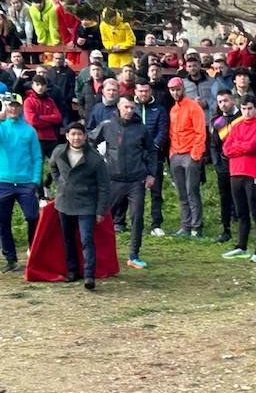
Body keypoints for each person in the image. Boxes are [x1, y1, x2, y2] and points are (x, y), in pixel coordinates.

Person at [90, 95, 156, 270]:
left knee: (137, 217)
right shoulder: (107, 126)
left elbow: (151, 150)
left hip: (136, 180)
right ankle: (91, 251)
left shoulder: (140, 129)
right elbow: (89, 142)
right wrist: (96, 165)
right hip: (113, 179)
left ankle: (134, 255)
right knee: (100, 214)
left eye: (132, 108)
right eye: (126, 107)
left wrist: (151, 174)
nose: (129, 111)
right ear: (118, 107)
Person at [48, 121, 110, 290]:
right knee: (68, 239)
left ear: (85, 136)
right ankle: (72, 270)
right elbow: (53, 167)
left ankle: (89, 275)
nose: (76, 137)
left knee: (86, 239)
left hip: (87, 204)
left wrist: (100, 210)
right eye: (73, 134)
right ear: (67, 136)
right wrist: (60, 183)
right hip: (64, 202)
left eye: (79, 134)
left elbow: (104, 186)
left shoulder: (95, 159)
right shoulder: (59, 151)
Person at [221, 94, 256, 262]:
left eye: (250, 109)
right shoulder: (237, 125)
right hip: (236, 172)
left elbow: (252, 147)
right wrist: (240, 147)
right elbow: (226, 149)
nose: (247, 112)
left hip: (253, 172)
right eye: (243, 109)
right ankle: (241, 246)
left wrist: (238, 146)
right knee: (241, 212)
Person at [0, 92, 41, 271]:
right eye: (9, 105)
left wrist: (35, 180)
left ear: (20, 108)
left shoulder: (29, 131)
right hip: (3, 182)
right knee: (3, 221)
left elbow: (37, 157)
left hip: (26, 183)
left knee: (33, 217)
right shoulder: (2, 128)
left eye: (15, 106)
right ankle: (10, 258)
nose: (12, 109)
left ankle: (33, 251)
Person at [166, 77, 207, 238]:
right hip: (176, 154)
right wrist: (172, 153)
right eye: (172, 90)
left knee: (192, 192)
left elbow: (200, 132)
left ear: (182, 88)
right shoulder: (173, 109)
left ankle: (197, 227)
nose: (175, 92)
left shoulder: (194, 107)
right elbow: (172, 133)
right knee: (182, 193)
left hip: (190, 154)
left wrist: (195, 154)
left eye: (177, 89)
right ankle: (186, 226)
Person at [132, 80, 168, 236]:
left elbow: (163, 131)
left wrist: (152, 148)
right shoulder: (131, 108)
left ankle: (156, 224)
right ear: (135, 92)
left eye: (146, 91)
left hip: (155, 156)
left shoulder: (159, 109)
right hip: (135, 156)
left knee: (156, 191)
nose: (143, 94)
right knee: (134, 192)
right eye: (140, 91)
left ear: (150, 92)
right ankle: (133, 223)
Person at [22, 73, 62, 194]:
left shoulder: (50, 100)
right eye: (37, 85)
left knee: (61, 163)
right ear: (33, 85)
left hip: (51, 138)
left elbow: (58, 118)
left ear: (46, 86)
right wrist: (48, 119)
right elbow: (32, 121)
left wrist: (41, 117)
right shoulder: (28, 101)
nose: (40, 87)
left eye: (43, 85)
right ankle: (40, 195)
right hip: (36, 139)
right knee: (37, 168)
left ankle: (47, 184)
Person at [208, 90, 239, 242]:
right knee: (224, 198)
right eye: (220, 102)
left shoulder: (242, 118)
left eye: (225, 101)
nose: (223, 104)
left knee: (243, 198)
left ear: (232, 100)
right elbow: (213, 145)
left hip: (240, 165)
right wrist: (216, 164)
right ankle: (226, 229)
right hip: (224, 166)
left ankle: (244, 226)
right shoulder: (218, 122)